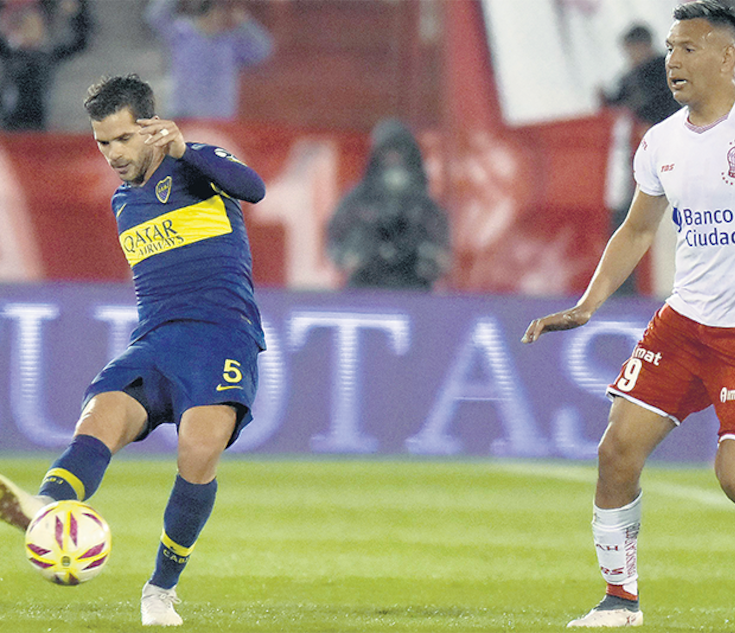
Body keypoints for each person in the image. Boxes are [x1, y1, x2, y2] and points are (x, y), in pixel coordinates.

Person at [522, 1, 735, 627]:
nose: (673, 62)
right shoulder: (660, 142)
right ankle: (620, 599)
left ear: (727, 56)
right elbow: (637, 229)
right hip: (684, 323)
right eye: (669, 49)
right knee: (616, 452)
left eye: (688, 48)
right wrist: (588, 304)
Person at [0, 74, 266, 626]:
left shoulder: (196, 166)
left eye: (123, 139)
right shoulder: (124, 202)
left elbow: (253, 188)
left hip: (220, 335)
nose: (113, 154)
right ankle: (46, 510)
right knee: (98, 420)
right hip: (155, 341)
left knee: (198, 451)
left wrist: (185, 147)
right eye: (103, 143)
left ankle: (160, 590)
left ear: (150, 128)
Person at [600, 23, 680, 294]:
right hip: (639, 161)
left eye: (632, 50)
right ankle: (626, 283)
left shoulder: (664, 71)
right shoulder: (632, 76)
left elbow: (663, 106)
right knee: (629, 219)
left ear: (642, 46)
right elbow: (616, 100)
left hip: (669, 159)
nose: (630, 56)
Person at [327, 118, 451, 290]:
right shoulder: (359, 199)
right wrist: (351, 256)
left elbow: (442, 250)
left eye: (399, 151)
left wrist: (427, 258)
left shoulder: (424, 205)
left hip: (413, 287)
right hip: (365, 286)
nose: (394, 159)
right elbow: (335, 236)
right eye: (387, 152)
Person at [145, 0, 272, 120]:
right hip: (184, 115)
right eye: (217, 13)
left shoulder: (229, 43)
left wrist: (245, 22)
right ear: (206, 13)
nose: (220, 19)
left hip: (218, 118)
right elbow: (154, 16)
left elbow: (264, 50)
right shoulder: (181, 33)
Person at [0, 0, 92, 130]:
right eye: (27, 26)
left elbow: (80, 41)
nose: (32, 32)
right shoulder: (9, 55)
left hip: (39, 123)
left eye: (36, 27)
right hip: (9, 124)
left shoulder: (47, 57)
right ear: (17, 29)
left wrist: (78, 12)